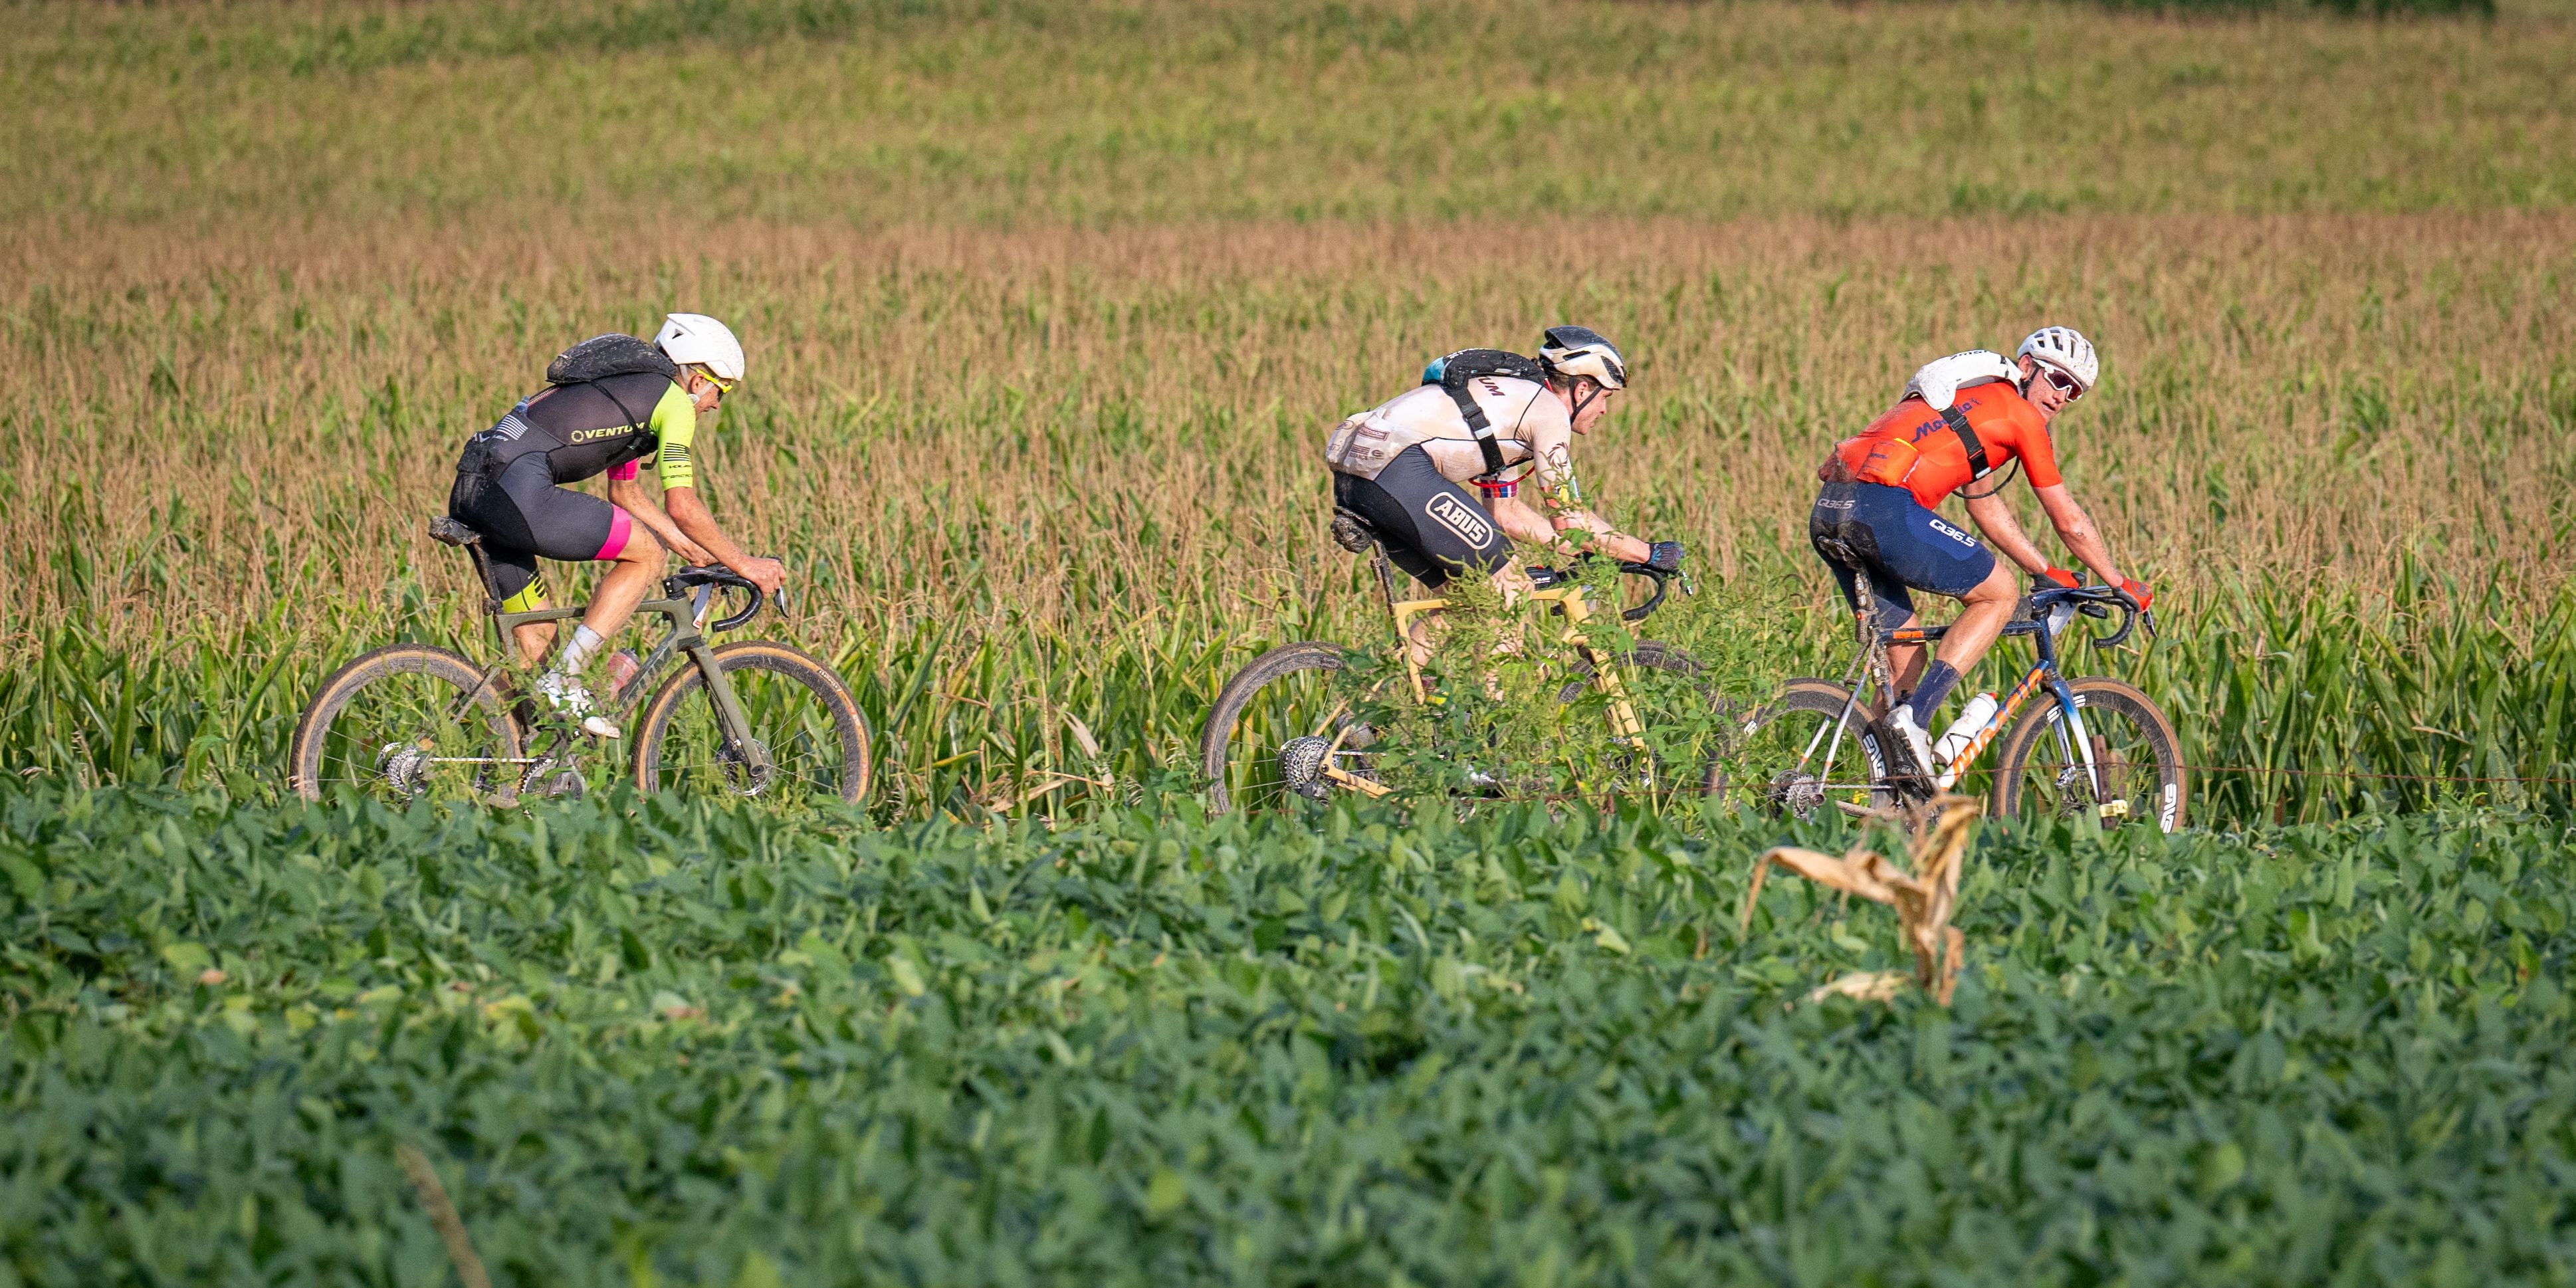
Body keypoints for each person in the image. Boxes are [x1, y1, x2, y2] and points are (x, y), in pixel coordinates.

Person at [1808, 326, 2152, 778]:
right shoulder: (2019, 416)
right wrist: (2118, 582)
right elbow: (2067, 518)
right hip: (1883, 510)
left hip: (1832, 510)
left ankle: (1886, 790)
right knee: (1998, 594)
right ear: (2026, 368)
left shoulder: (1974, 408)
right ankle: (1916, 720)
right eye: (2058, 380)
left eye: (2076, 392)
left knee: (1904, 663)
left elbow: (1985, 505)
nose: (2063, 397)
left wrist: (2044, 569)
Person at [447, 313, 786, 738]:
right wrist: (744, 564)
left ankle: (447, 753)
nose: (717, 404)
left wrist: (698, 552)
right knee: (646, 553)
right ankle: (566, 681)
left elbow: (626, 495)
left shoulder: (632, 393)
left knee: (537, 650)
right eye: (723, 390)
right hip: (517, 492)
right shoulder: (674, 402)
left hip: (477, 487)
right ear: (699, 380)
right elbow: (680, 504)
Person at [1323, 325, 1683, 591]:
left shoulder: (1510, 410)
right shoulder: (1548, 414)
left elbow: (1506, 516)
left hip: (1357, 479)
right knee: (1509, 590)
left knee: (1461, 601)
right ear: (1583, 388)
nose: (1604, 411)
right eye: (1606, 398)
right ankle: (1505, 697)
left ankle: (1403, 691)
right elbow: (1570, 520)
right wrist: (1648, 553)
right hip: (1397, 471)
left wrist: (1589, 552)